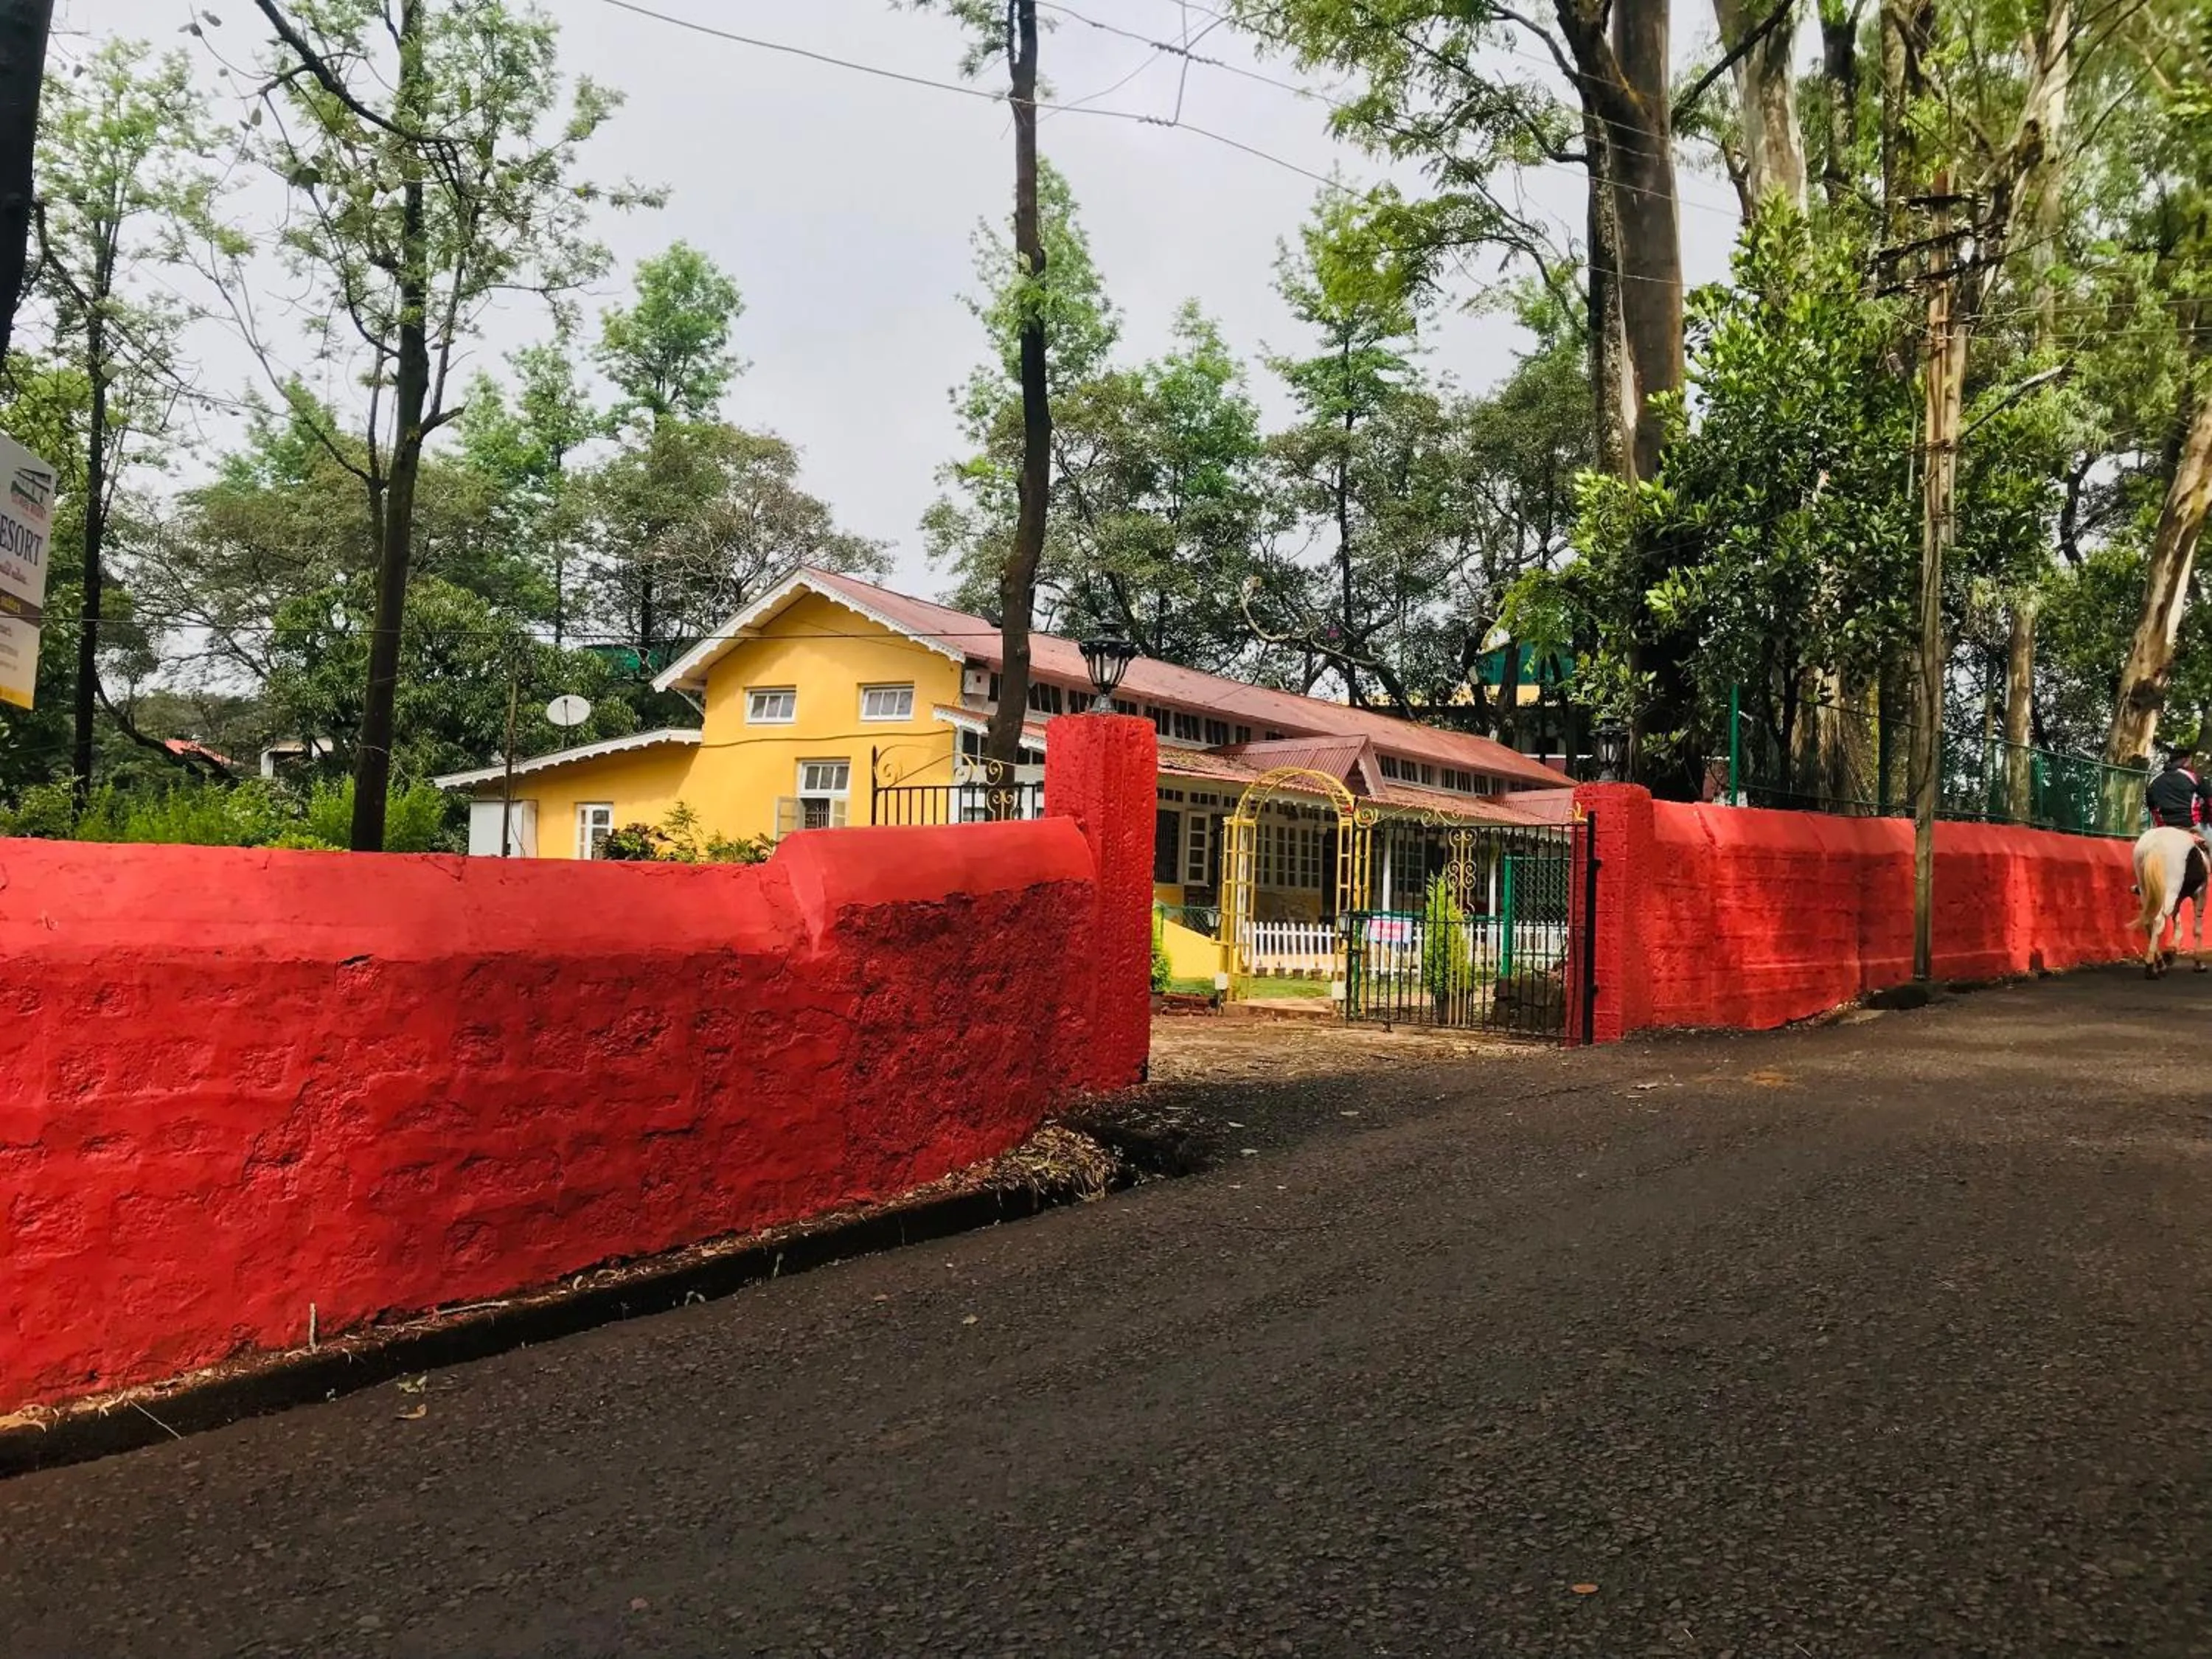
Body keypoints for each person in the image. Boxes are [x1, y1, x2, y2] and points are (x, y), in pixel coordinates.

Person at [2143, 748, 2212, 845]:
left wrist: (2162, 826)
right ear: (2186, 761)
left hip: (2164, 827)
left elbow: (2153, 810)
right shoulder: (2195, 778)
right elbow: (2210, 803)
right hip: (2191, 826)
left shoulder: (2153, 781)